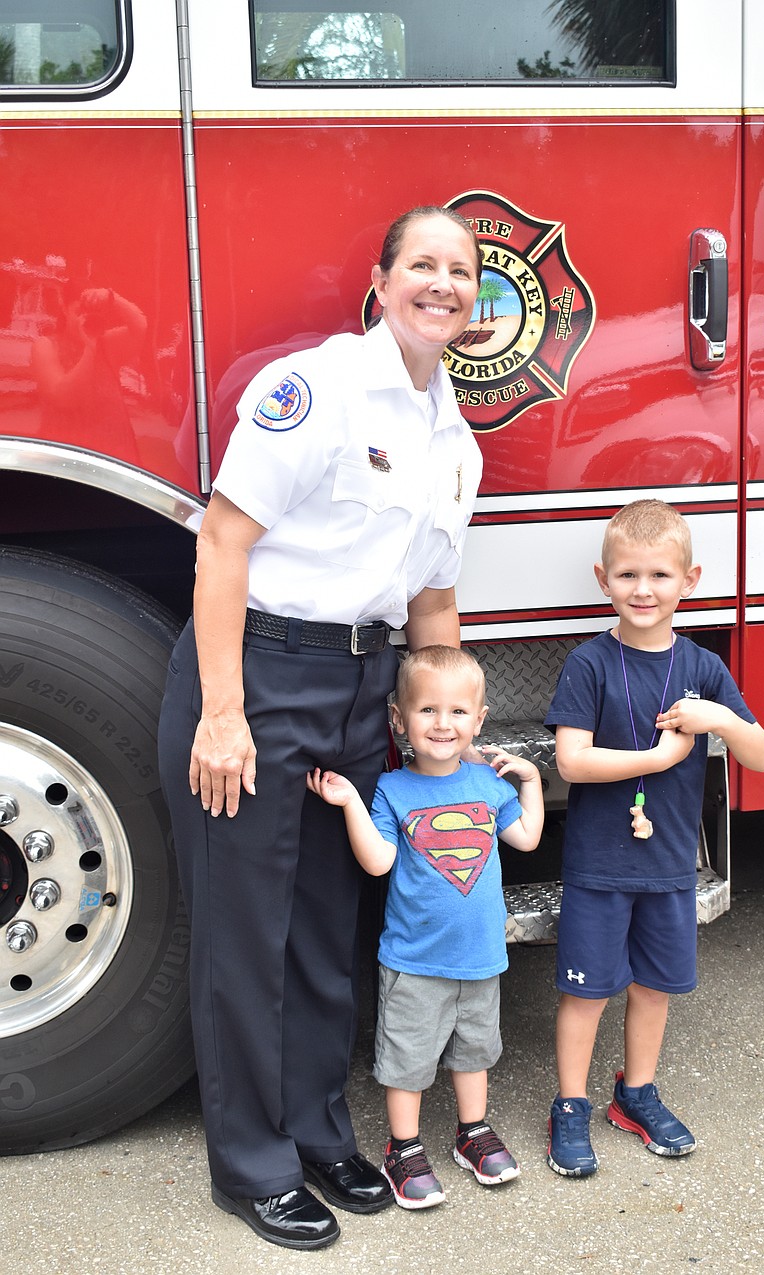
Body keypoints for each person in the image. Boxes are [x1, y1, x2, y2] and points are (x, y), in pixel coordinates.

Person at [157, 207, 485, 1250]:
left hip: (362, 684)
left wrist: (444, 729)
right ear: (381, 284)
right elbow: (223, 540)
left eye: (462, 270)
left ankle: (317, 1132)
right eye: (423, 264)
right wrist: (222, 712)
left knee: (324, 933)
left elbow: (432, 602)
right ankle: (252, 1166)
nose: (443, 283)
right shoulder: (318, 390)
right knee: (246, 936)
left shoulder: (455, 441)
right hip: (259, 674)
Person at [543, 499, 764, 1178]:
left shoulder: (702, 669)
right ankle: (570, 1104)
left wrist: (717, 720)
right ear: (603, 579)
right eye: (627, 575)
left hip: (670, 864)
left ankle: (635, 1093)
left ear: (689, 580)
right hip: (598, 865)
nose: (643, 589)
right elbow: (571, 761)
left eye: (659, 575)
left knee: (653, 987)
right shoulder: (589, 663)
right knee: (586, 991)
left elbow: (761, 755)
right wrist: (658, 757)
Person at [307, 645, 544, 1209]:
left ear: (479, 720)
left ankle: (473, 1132)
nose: (443, 723)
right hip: (415, 960)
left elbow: (528, 838)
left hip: (481, 957)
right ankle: (403, 1148)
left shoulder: (489, 785)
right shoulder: (394, 789)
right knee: (407, 1059)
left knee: (474, 1052)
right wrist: (350, 803)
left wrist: (532, 780)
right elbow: (378, 862)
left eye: (458, 711)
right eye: (428, 710)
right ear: (399, 718)